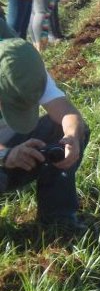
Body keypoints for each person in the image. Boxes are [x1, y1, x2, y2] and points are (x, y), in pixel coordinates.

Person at [0, 22, 89, 231]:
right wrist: (6, 155)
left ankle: (58, 218)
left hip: (8, 147)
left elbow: (68, 113)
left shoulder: (23, 66)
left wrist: (72, 138)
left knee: (62, 129)